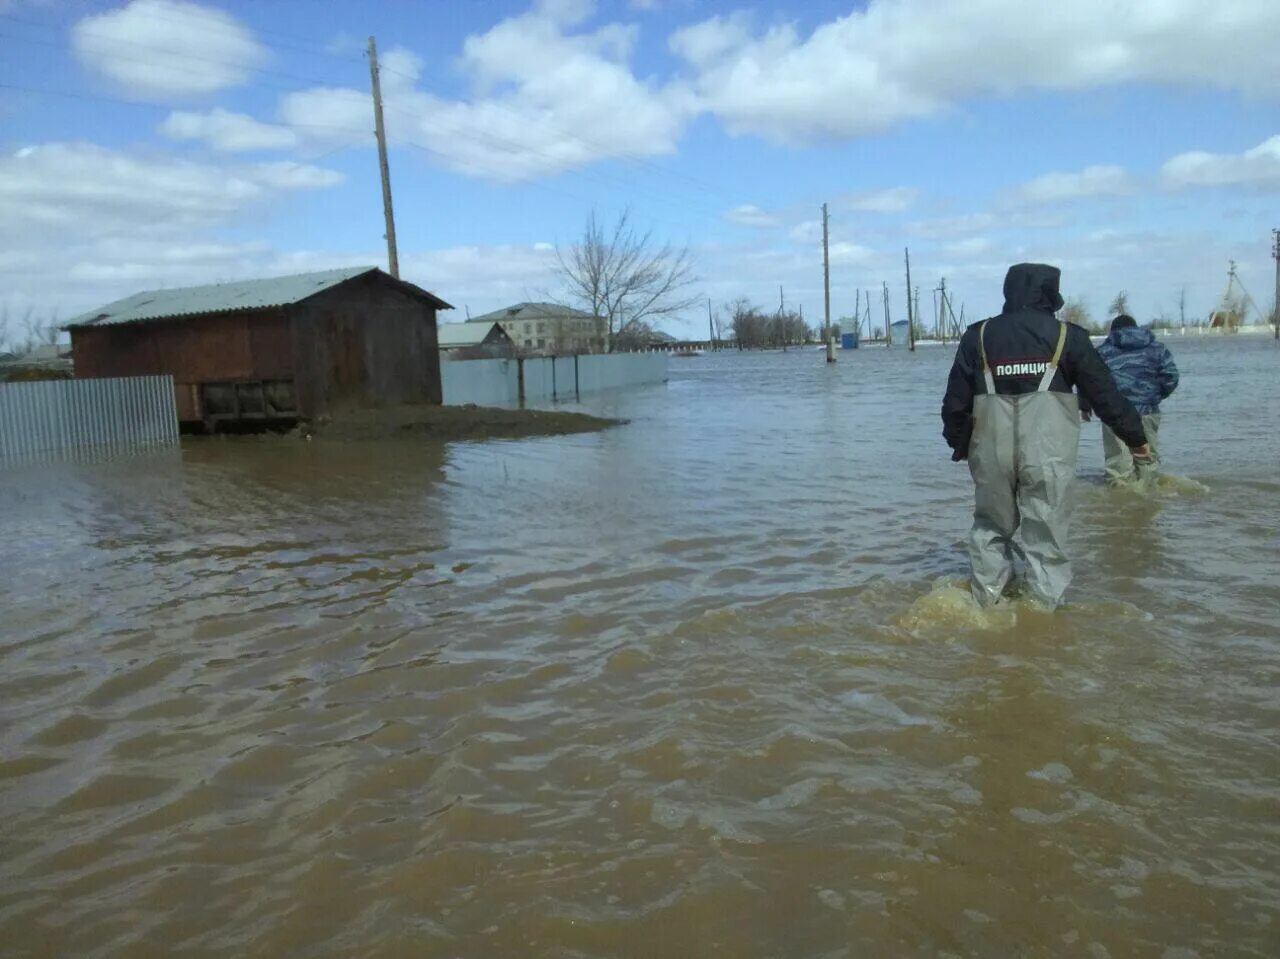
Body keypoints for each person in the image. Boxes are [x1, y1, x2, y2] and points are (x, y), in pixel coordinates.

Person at [941, 264, 1150, 609]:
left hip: (990, 450)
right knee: (1047, 532)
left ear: (1009, 291)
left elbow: (954, 404)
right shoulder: (1069, 337)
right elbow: (1105, 395)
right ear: (1052, 293)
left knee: (990, 527)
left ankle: (989, 607)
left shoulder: (978, 336)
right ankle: (1040, 616)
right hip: (1048, 451)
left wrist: (960, 444)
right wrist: (1136, 439)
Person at [1083, 314, 1179, 487]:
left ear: (1112, 332)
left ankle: (1121, 504)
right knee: (1147, 458)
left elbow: (1091, 380)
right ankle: (1149, 502)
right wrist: (1154, 396)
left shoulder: (1102, 351)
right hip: (1148, 410)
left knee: (1118, 464)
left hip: (1114, 412)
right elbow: (1171, 377)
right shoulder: (1157, 349)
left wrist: (1088, 404)